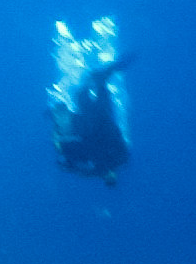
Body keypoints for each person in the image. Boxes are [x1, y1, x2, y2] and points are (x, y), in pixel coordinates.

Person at [51, 52, 134, 184]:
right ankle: (98, 78)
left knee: (85, 98)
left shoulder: (99, 166)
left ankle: (97, 78)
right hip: (98, 125)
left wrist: (69, 161)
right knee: (89, 98)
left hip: (94, 125)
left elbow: (78, 155)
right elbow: (80, 154)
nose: (109, 175)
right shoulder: (116, 161)